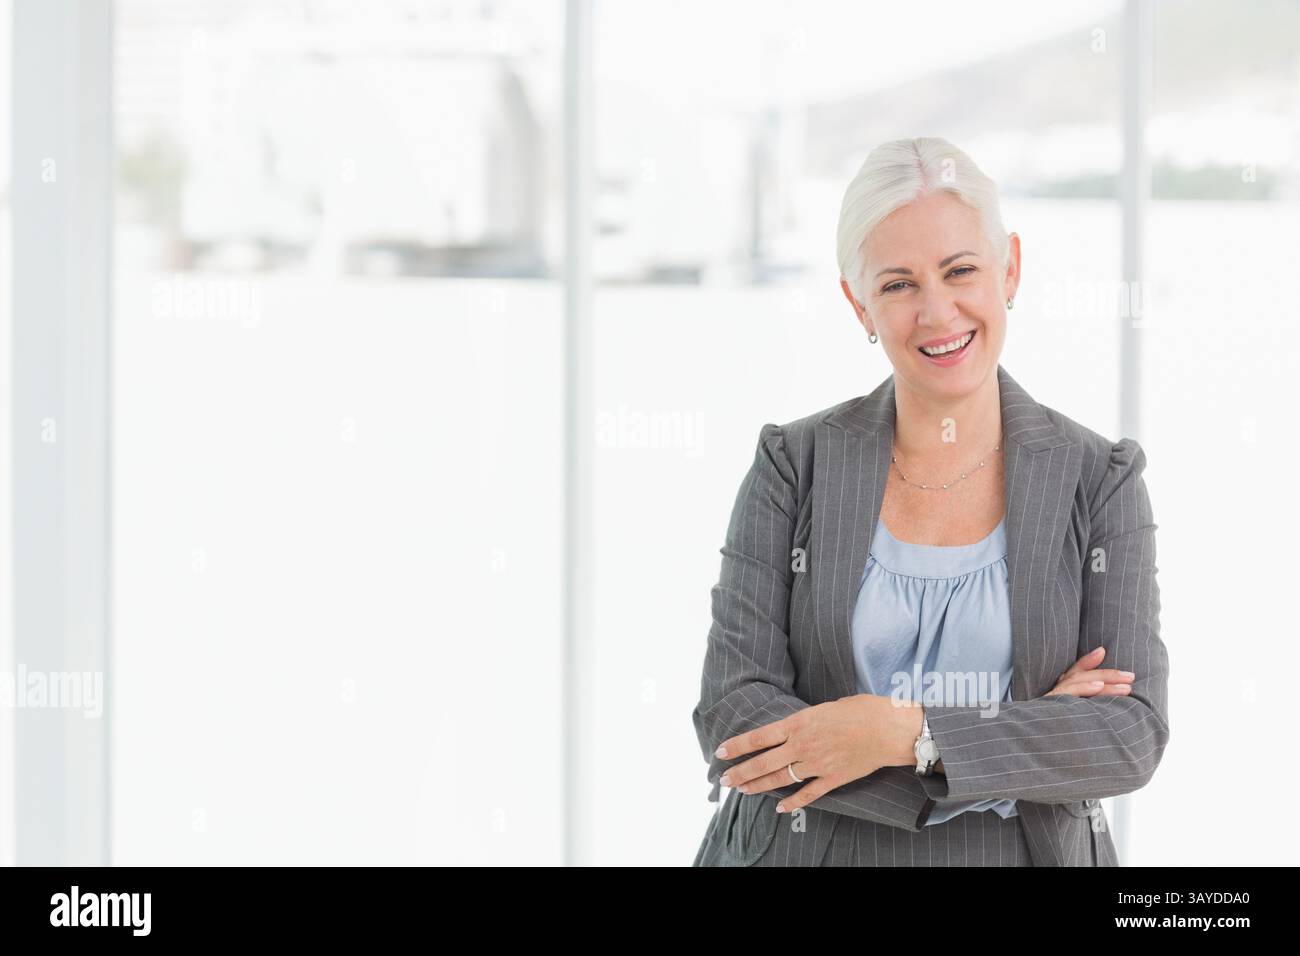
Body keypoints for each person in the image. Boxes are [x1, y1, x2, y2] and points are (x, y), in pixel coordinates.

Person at [691, 137, 1170, 866]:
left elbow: (1125, 735)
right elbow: (735, 720)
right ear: (859, 305)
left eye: (960, 271)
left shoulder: (1098, 479)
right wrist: (1012, 746)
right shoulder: (792, 466)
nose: (937, 312)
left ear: (1009, 267)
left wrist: (905, 733)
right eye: (898, 285)